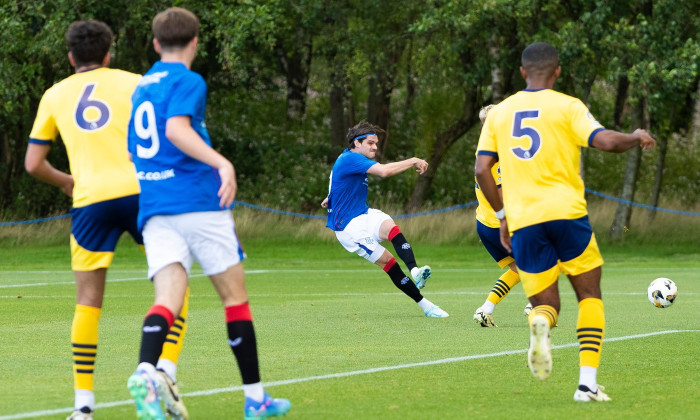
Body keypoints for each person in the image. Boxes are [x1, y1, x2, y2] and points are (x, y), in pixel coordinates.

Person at [125, 8, 290, 420]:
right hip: (199, 203)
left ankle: (146, 370)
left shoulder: (142, 86)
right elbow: (177, 130)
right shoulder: (189, 80)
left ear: (156, 43)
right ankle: (256, 399)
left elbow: (133, 149)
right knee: (234, 300)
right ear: (196, 42)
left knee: (168, 299)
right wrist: (223, 164)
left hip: (156, 207)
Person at [24, 20, 189, 420]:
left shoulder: (54, 94)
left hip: (89, 201)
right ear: (109, 53)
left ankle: (83, 407)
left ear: (70, 56)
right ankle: (164, 372)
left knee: (87, 303)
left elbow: (33, 164)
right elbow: (169, 135)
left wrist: (67, 182)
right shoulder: (137, 82)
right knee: (173, 286)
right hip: (143, 195)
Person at [475, 42, 655, 402]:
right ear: (557, 71)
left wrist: (502, 217)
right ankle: (587, 383)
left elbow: (481, 169)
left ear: (523, 72)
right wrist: (635, 137)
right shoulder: (567, 105)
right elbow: (604, 141)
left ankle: (539, 324)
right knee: (589, 295)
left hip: (524, 221)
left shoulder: (500, 112)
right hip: (567, 215)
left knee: (546, 304)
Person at [322, 120, 449, 318]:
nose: (375, 147)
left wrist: (330, 198)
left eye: (376, 143)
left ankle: (415, 271)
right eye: (370, 143)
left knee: (391, 227)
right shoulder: (350, 159)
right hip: (348, 228)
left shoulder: (348, 159)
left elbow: (335, 180)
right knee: (388, 261)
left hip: (363, 214)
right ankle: (426, 306)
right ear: (356, 143)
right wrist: (413, 160)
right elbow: (385, 171)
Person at [472, 104, 531, 327]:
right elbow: (502, 192)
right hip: (502, 224)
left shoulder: (485, 149)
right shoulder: (497, 153)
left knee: (517, 269)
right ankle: (536, 305)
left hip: (484, 223)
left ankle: (485, 310)